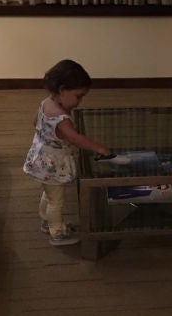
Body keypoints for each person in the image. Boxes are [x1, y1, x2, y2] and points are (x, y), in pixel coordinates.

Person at [23, 59, 111, 246]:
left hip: (40, 158)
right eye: (79, 96)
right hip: (52, 165)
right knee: (57, 201)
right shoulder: (62, 118)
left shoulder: (46, 103)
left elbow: (34, 122)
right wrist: (99, 148)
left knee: (49, 194)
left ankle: (47, 223)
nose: (80, 101)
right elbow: (75, 138)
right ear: (62, 90)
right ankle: (57, 233)